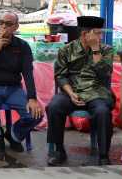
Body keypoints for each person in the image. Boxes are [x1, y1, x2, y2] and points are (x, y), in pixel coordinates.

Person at [47, 15, 115, 166]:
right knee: (54, 107)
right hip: (72, 91)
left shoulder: (106, 50)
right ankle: (58, 150)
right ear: (85, 34)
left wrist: (96, 50)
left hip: (96, 92)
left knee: (103, 111)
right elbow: (61, 75)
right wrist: (70, 93)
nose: (101, 36)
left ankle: (103, 154)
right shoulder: (67, 50)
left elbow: (105, 74)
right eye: (97, 33)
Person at [0, 12, 43, 153]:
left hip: (13, 88)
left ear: (16, 27)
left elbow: (28, 73)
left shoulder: (22, 46)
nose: (4, 27)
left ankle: (13, 135)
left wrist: (32, 98)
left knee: (37, 114)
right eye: (1, 23)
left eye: (8, 24)